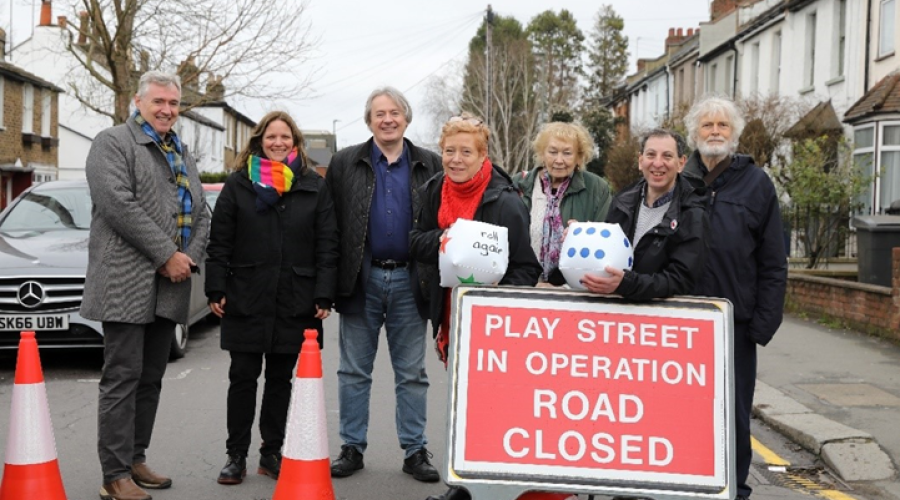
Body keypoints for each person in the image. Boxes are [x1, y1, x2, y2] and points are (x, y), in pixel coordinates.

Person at [82, 71, 209, 500]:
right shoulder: (112, 142)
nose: (167, 110)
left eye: (174, 104)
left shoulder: (180, 149)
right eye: (159, 102)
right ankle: (113, 475)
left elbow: (201, 210)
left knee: (151, 376)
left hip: (169, 283)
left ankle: (135, 459)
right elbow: (118, 205)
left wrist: (188, 256)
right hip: (125, 281)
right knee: (122, 376)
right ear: (139, 101)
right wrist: (165, 254)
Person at [410, 113, 543, 500]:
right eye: (449, 151)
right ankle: (462, 485)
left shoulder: (505, 201)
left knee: (490, 407)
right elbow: (414, 241)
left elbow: (527, 268)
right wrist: (447, 238)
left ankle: (490, 486)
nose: (455, 159)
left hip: (493, 326)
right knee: (458, 405)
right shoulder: (434, 189)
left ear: (482, 155)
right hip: (452, 317)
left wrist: (495, 296)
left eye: (465, 152)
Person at [205, 111, 339, 485]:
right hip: (246, 294)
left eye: (285, 137)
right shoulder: (238, 184)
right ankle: (235, 455)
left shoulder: (313, 185)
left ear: (294, 142)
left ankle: (271, 452)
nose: (278, 143)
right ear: (259, 141)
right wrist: (216, 287)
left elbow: (328, 243)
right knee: (243, 377)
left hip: (296, 297)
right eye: (270, 137)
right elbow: (220, 241)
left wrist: (325, 293)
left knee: (281, 379)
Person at [326, 87, 443, 482]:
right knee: (353, 371)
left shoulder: (431, 164)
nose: (387, 119)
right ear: (369, 120)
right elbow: (331, 226)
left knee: (411, 372)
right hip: (363, 277)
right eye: (379, 113)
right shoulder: (345, 163)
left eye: (394, 112)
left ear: (406, 118)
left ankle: (414, 450)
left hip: (413, 280)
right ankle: (351, 447)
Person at [682, 96, 787, 500]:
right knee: (685, 408)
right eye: (707, 125)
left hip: (734, 326)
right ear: (695, 133)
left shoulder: (756, 184)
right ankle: (687, 482)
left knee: (733, 414)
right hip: (683, 320)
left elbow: (774, 260)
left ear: (734, 134)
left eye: (722, 126)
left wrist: (762, 324)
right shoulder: (681, 177)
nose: (714, 132)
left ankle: (734, 490)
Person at [581, 128, 708, 300]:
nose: (657, 163)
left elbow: (681, 279)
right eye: (651, 155)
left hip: (663, 319)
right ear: (641, 161)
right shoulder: (622, 201)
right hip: (615, 313)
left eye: (667, 156)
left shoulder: (693, 213)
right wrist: (582, 237)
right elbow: (607, 252)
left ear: (681, 163)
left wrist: (628, 284)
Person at [517, 122, 612, 285]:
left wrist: (585, 234)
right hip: (524, 286)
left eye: (567, 153)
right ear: (542, 153)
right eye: (552, 152)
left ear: (579, 157)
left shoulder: (597, 188)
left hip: (574, 290)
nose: (559, 160)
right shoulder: (519, 184)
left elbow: (608, 240)